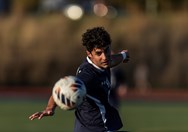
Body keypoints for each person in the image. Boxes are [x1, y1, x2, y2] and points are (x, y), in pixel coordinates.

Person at [29, 27, 129, 132]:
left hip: (98, 126)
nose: (104, 57)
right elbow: (63, 88)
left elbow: (112, 60)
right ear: (89, 54)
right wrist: (50, 108)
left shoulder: (103, 62)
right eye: (99, 53)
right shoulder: (87, 75)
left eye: (107, 50)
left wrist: (124, 55)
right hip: (95, 128)